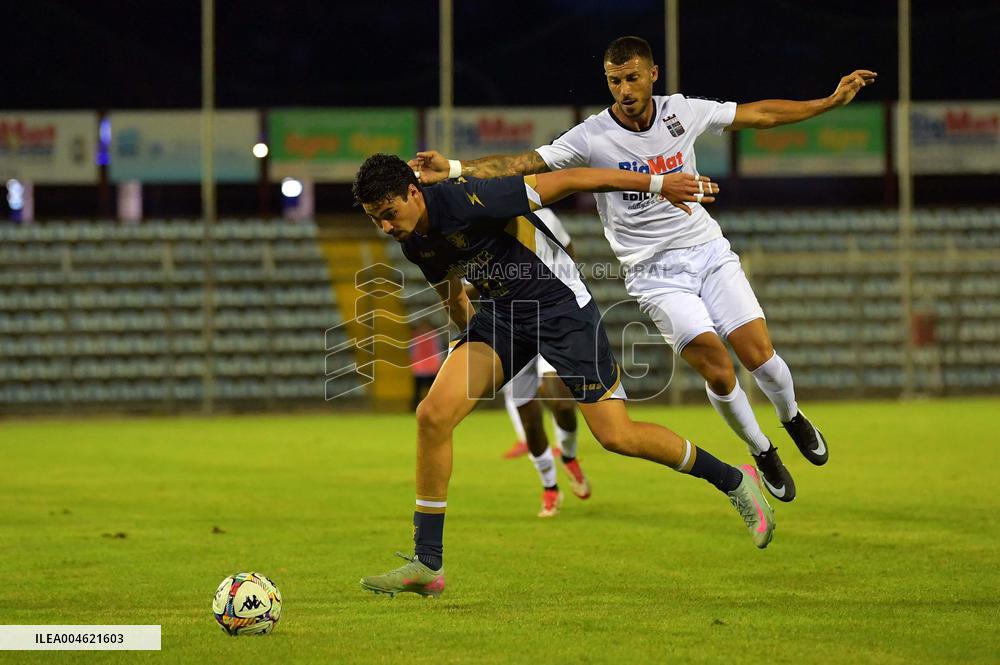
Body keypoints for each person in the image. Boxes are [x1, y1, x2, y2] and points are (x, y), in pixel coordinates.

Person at [410, 35, 878, 503]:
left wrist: (828, 102)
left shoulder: (682, 111)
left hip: (707, 250)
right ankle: (761, 450)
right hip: (654, 273)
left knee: (759, 355)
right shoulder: (592, 136)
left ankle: (792, 416)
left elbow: (759, 115)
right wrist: (453, 168)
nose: (624, 89)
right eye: (615, 81)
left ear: (652, 74)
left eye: (632, 78)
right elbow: (522, 164)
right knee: (716, 367)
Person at [353, 153, 774, 599]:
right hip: (502, 317)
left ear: (414, 192)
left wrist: (657, 184)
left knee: (616, 436)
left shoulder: (471, 198)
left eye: (389, 214)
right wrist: (469, 348)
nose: (385, 227)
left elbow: (572, 178)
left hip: (561, 310)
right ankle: (427, 564)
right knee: (432, 415)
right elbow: (453, 296)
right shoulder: (414, 241)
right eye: (375, 219)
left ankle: (733, 479)